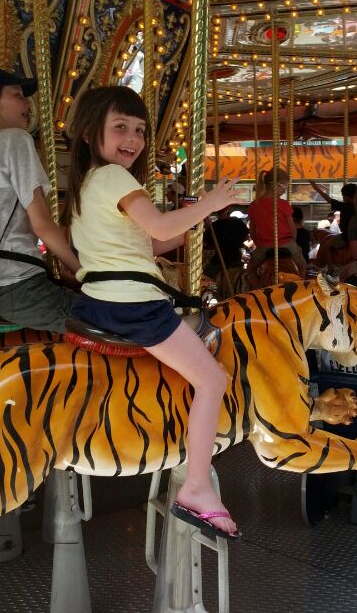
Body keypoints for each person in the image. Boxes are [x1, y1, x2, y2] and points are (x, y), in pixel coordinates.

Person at [63, 85, 241, 540]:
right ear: (89, 134)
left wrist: (194, 220)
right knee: (213, 379)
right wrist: (211, 204)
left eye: (139, 129)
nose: (133, 138)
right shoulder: (116, 178)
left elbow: (154, 241)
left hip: (104, 301)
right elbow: (161, 225)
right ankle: (197, 487)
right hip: (133, 306)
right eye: (119, 126)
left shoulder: (90, 184)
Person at [0, 68, 80, 331]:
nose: (27, 103)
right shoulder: (14, 139)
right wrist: (80, 269)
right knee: (122, 321)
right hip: (17, 284)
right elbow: (41, 224)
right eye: (17, 95)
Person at [246, 168, 306, 287]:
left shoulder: (254, 205)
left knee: (251, 269)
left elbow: (252, 230)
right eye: (284, 185)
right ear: (276, 185)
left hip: (263, 247)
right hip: (286, 244)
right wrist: (293, 240)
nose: (285, 190)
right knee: (302, 265)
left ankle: (258, 290)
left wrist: (258, 242)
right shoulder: (283, 204)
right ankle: (301, 288)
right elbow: (292, 228)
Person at [203, 206, 249, 279]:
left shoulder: (214, 226)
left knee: (205, 275)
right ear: (228, 210)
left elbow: (205, 243)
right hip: (235, 258)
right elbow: (247, 237)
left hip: (220, 259)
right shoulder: (238, 222)